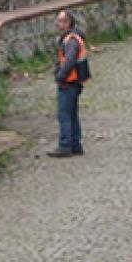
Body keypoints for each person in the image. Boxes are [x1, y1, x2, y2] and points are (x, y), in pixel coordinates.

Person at [48, 9, 88, 158]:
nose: (58, 24)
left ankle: (65, 145)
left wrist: (60, 76)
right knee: (72, 114)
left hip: (69, 82)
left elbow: (69, 61)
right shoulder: (75, 38)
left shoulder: (70, 40)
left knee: (64, 114)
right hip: (75, 81)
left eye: (60, 21)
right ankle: (75, 144)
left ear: (67, 22)